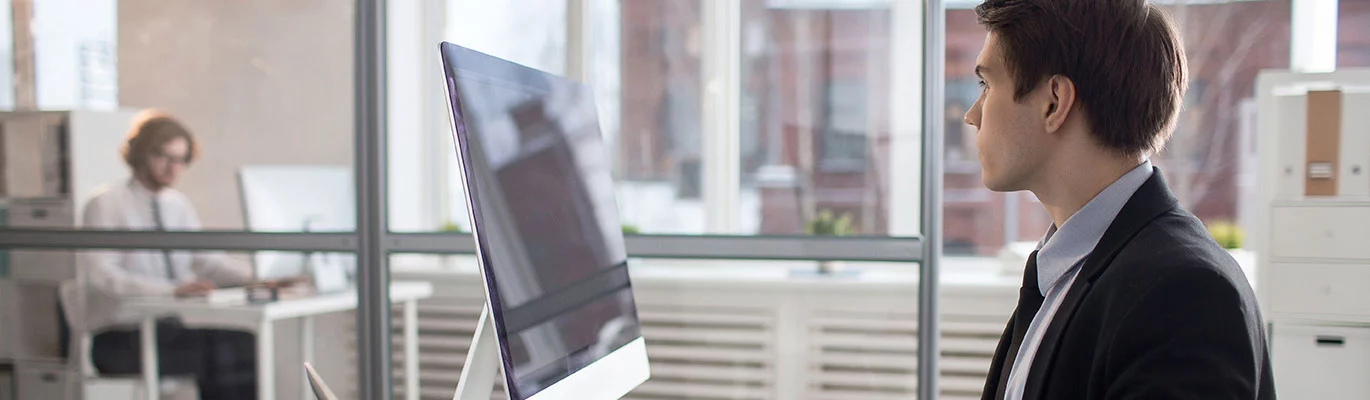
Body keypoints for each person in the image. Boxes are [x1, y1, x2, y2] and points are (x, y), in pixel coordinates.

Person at [962, 1, 1274, 399]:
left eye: (987, 85)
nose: (973, 114)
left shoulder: (1185, 294)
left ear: (1054, 102)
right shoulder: (1066, 270)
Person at [74, 109, 259, 400]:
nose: (174, 168)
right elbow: (103, 277)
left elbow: (206, 259)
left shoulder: (178, 205)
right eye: (165, 157)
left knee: (241, 343)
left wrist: (258, 278)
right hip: (120, 338)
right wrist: (173, 291)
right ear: (140, 153)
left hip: (168, 330)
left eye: (181, 160)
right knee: (221, 351)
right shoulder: (106, 203)